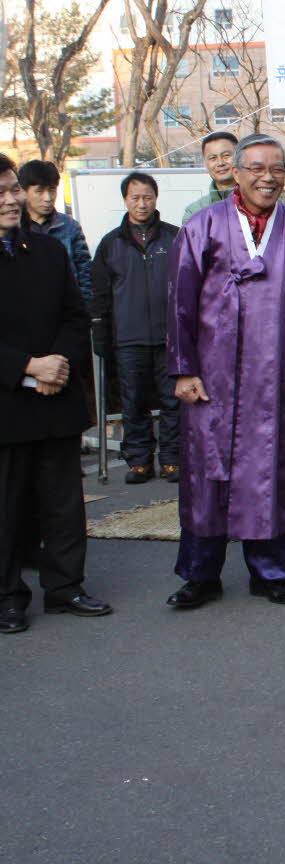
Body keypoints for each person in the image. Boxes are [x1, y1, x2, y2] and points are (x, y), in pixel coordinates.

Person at [164, 134, 285, 610]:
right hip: (212, 375)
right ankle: (200, 575)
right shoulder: (202, 226)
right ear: (234, 172)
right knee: (205, 475)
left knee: (272, 470)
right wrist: (182, 369)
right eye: (256, 168)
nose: (268, 177)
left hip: (278, 373)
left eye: (277, 169)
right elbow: (179, 301)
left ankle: (271, 572)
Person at [0, 153, 111, 634]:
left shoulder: (45, 249)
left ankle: (66, 587)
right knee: (7, 507)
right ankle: (8, 597)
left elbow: (74, 313)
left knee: (63, 502)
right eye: (1, 193)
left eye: (12, 189)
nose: (12, 200)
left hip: (56, 393)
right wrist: (26, 366)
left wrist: (57, 364)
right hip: (7, 401)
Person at [89, 171, 181, 486]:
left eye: (147, 197)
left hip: (171, 337)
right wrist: (100, 332)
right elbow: (99, 293)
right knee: (134, 402)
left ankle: (172, 459)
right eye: (135, 197)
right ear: (125, 199)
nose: (141, 204)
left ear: (156, 198)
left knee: (173, 401)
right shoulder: (111, 243)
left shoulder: (174, 237)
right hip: (128, 338)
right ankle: (139, 461)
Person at [19, 159, 91, 302]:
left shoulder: (69, 226)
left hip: (65, 311)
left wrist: (83, 310)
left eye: (52, 190)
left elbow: (85, 273)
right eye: (39, 191)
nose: (48, 198)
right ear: (24, 192)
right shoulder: (15, 228)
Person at [182, 132, 239, 219]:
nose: (220, 163)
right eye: (213, 158)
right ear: (205, 163)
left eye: (226, 156)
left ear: (240, 157)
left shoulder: (258, 202)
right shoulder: (195, 211)